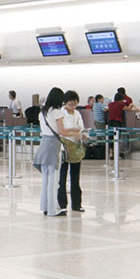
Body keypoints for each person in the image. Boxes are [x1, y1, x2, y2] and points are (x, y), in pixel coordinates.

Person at [37, 87, 69, 217]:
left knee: (45, 178)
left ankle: (45, 207)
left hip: (43, 145)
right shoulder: (57, 112)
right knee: (53, 180)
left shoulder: (42, 113)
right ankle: (53, 209)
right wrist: (77, 133)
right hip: (54, 146)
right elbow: (62, 132)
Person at [55, 90, 88, 213]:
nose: (72, 106)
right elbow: (61, 130)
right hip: (64, 146)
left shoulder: (77, 114)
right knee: (62, 177)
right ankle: (62, 204)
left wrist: (82, 134)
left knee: (75, 177)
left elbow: (82, 128)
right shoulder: (60, 113)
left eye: (74, 104)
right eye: (70, 104)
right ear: (65, 102)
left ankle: (77, 204)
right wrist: (74, 131)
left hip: (76, 147)